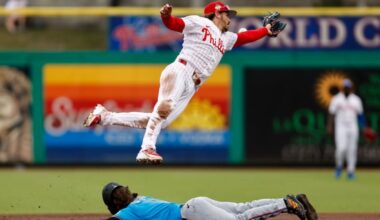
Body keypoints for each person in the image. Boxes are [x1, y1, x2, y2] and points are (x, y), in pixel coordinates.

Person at [83, 1, 286, 164]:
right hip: (181, 69)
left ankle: (105, 117)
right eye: (227, 14)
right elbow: (175, 24)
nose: (229, 19)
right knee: (162, 110)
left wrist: (266, 30)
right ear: (217, 13)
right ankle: (146, 149)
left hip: (193, 85)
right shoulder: (200, 22)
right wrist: (165, 16)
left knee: (160, 120)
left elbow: (246, 37)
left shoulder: (226, 38)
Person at [101, 182, 318, 220]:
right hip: (195, 205)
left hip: (192, 213)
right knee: (244, 207)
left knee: (241, 218)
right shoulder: (140, 200)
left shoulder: (128, 213)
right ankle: (289, 199)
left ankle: (288, 205)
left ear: (114, 205)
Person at [327, 78, 365, 180]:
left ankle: (351, 171)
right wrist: (329, 125)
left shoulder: (356, 99)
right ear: (342, 88)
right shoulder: (336, 99)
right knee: (341, 149)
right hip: (341, 126)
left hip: (353, 126)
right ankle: (339, 166)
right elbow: (331, 113)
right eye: (345, 87)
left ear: (351, 88)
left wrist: (364, 127)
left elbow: (360, 115)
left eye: (348, 87)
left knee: (352, 150)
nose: (346, 88)